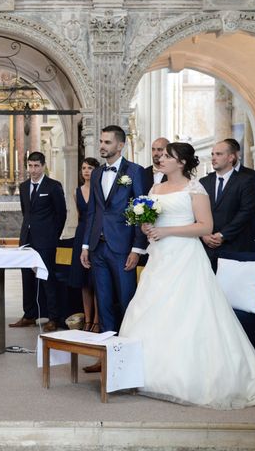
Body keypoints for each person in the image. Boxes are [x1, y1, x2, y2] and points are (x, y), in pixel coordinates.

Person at [120, 142, 255, 410]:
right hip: (160, 257)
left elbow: (205, 226)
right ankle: (147, 375)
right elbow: (154, 221)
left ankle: (185, 378)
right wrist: (147, 226)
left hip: (184, 256)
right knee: (151, 308)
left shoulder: (194, 188)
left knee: (187, 312)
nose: (161, 159)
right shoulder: (155, 188)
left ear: (181, 163)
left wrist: (166, 232)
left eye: (168, 156)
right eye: (162, 156)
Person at [81, 125, 147, 370]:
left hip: (123, 248)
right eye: (101, 141)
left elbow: (142, 210)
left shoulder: (135, 172)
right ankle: (106, 356)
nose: (102, 146)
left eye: (107, 142)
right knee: (104, 302)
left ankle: (129, 358)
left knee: (127, 300)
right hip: (98, 247)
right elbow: (93, 212)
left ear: (120, 145)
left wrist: (137, 249)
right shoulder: (97, 173)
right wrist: (86, 245)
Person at [10, 151, 67, 332]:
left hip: (46, 240)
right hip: (27, 240)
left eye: (36, 166)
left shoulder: (53, 186)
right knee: (27, 277)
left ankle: (53, 317)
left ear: (43, 166)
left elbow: (61, 214)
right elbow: (25, 212)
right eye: (30, 166)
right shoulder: (24, 186)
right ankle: (29, 315)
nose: (33, 170)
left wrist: (52, 236)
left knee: (47, 278)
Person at [199, 140, 255, 265]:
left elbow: (246, 212)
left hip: (234, 245)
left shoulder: (246, 181)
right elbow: (195, 211)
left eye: (218, 154)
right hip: (205, 246)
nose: (214, 158)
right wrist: (204, 234)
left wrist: (223, 235)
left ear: (231, 157)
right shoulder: (203, 182)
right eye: (213, 154)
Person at [68, 157, 100, 332]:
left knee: (96, 280)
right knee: (84, 281)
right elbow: (81, 215)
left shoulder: (100, 189)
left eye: (90, 168)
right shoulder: (76, 191)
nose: (86, 171)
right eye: (84, 168)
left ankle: (97, 320)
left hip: (96, 235)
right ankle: (87, 320)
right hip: (81, 234)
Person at [223, 137, 255, 240]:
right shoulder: (213, 177)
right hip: (220, 232)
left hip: (246, 231)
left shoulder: (252, 175)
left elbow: (253, 206)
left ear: (236, 154)